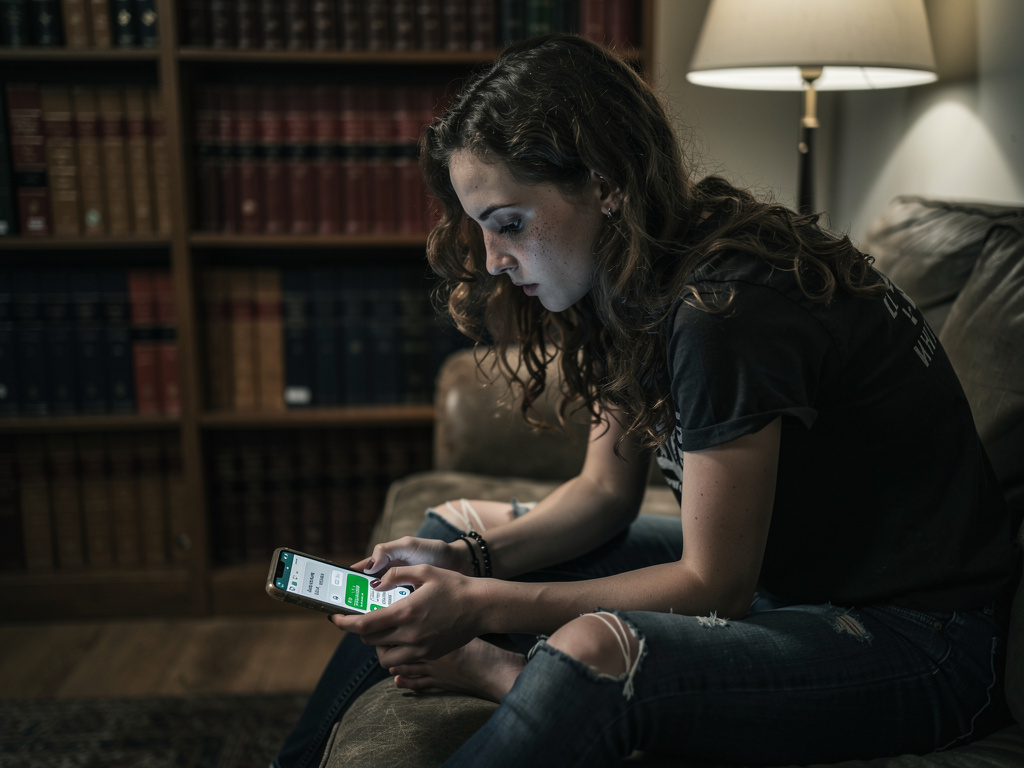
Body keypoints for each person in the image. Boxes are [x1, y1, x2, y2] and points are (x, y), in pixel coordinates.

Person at [274, 34, 1021, 768]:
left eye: (509, 224)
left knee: (598, 651)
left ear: (604, 184)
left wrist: (476, 607)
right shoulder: (636, 279)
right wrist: (462, 560)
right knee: (453, 529)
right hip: (785, 580)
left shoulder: (725, 307)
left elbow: (714, 586)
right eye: (481, 230)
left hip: (928, 639)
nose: (496, 262)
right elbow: (604, 493)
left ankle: (509, 676)